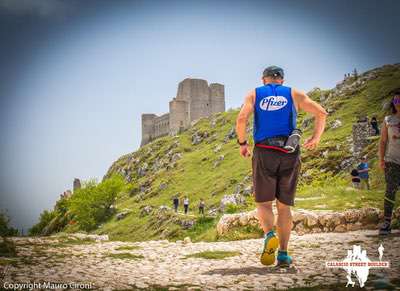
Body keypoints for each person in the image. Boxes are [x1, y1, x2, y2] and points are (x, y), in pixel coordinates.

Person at [235, 65, 327, 266]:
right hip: (289, 152)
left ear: (263, 79)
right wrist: (315, 138)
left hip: (264, 152)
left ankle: (269, 235)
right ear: (282, 80)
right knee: (284, 207)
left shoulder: (254, 94)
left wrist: (243, 144)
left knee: (263, 203)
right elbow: (321, 113)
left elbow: (241, 118)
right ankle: (283, 254)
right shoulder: (294, 94)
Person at [378, 91, 400, 235]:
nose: (399, 103)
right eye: (396, 101)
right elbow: (383, 141)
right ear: (394, 104)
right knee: (390, 191)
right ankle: (387, 222)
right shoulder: (388, 120)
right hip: (392, 161)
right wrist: (381, 159)